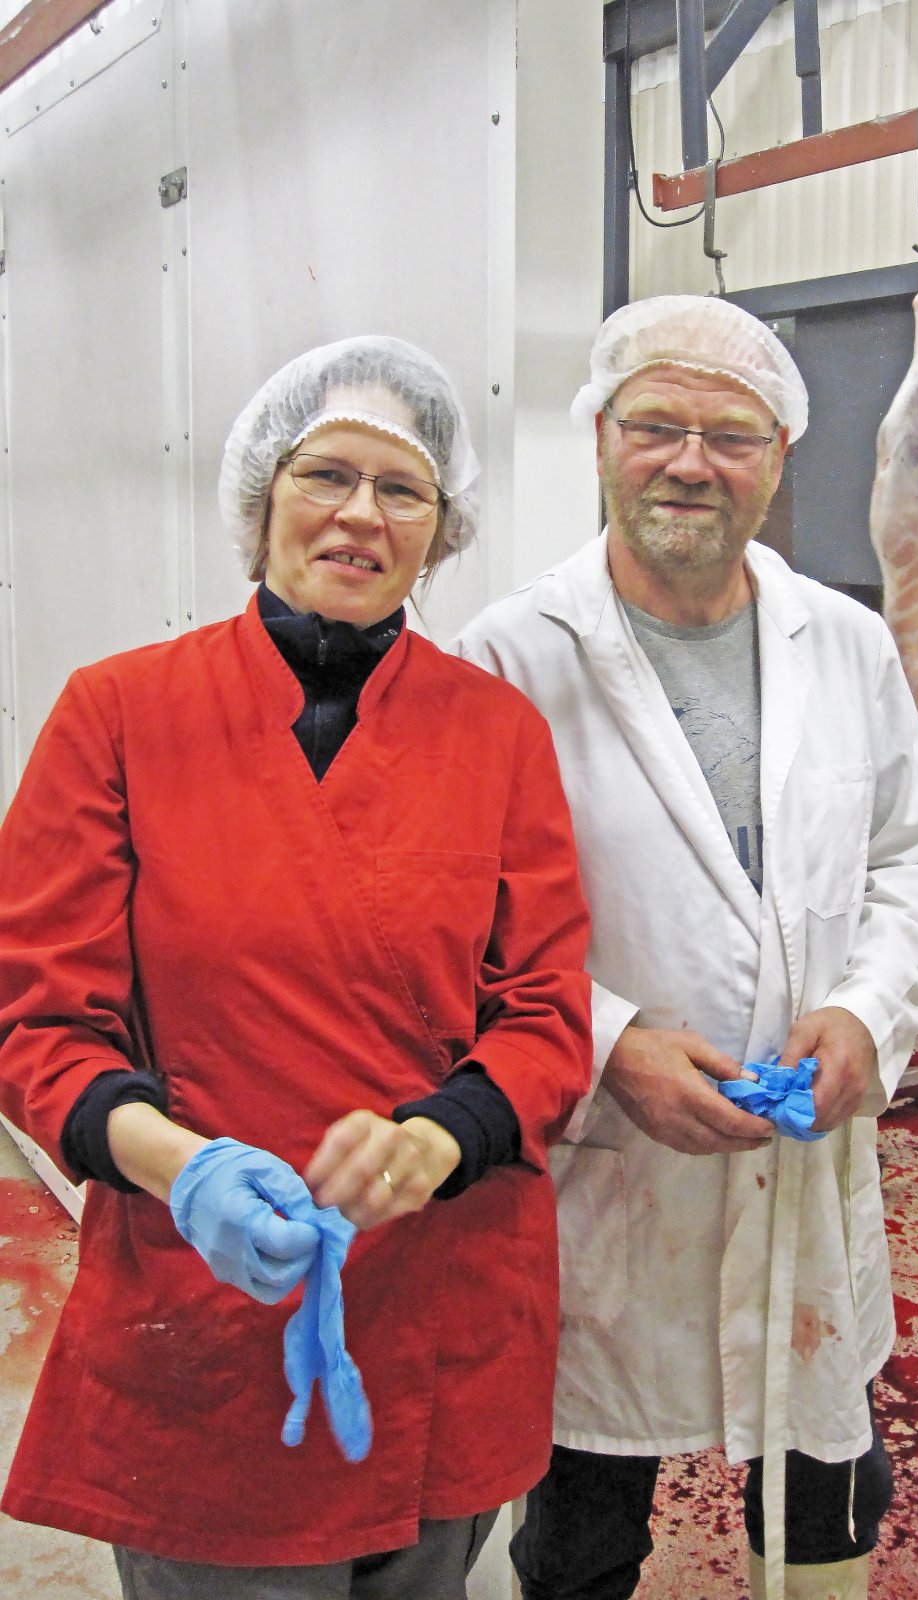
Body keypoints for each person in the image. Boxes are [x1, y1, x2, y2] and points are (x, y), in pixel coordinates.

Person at [0, 336, 593, 1599]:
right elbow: (37, 1017)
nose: (362, 515)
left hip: (442, 1291)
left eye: (403, 489)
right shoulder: (119, 713)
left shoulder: (497, 732)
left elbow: (547, 1009)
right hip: (205, 1306)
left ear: (441, 529)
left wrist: (439, 1137)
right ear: (261, 493)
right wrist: (183, 1166)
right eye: (327, 474)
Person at [455, 295, 918, 1600]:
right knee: (582, 1524)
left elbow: (916, 858)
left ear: (778, 458)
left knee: (826, 1493)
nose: (690, 463)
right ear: (600, 438)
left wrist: (865, 1016)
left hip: (805, 1156)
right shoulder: (509, 656)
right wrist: (608, 1042)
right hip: (611, 1170)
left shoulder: (843, 643)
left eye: (730, 437)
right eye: (656, 427)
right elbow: (457, 922)